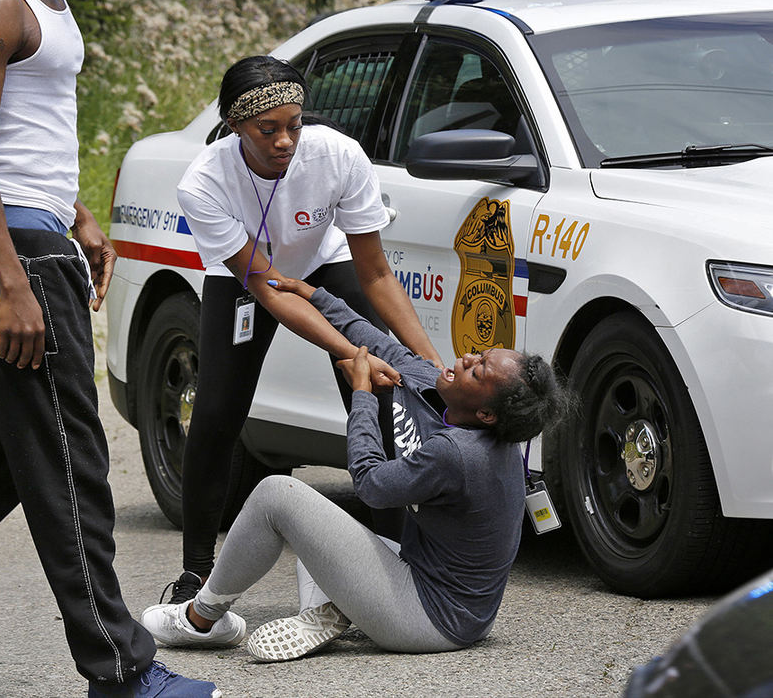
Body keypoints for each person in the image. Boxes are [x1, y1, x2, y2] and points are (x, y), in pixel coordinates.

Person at [0, 0, 219, 696]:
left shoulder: (49, 5)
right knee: (71, 461)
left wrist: (77, 215)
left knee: (3, 460)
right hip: (16, 253)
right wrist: (12, 281)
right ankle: (120, 671)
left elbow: (27, 132)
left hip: (37, 235)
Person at [139, 279, 571, 662]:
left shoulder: (459, 453)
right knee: (319, 530)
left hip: (430, 619)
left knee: (277, 494)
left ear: (486, 413)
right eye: (479, 353)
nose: (466, 358)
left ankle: (202, 618)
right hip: (447, 601)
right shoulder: (450, 399)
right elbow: (380, 346)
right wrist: (314, 294)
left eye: (478, 370)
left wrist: (361, 393)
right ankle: (327, 611)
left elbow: (371, 485)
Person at [167, 54, 445, 606]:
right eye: (266, 130)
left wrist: (428, 361)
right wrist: (351, 350)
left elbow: (377, 273)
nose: (285, 141)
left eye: (294, 125)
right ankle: (196, 572)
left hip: (326, 261)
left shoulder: (337, 154)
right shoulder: (203, 182)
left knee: (381, 402)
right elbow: (269, 290)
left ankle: (389, 561)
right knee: (218, 412)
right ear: (233, 126)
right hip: (249, 277)